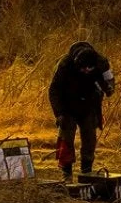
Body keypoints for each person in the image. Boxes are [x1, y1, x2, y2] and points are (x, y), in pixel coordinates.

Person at [48, 41, 115, 182]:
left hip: (90, 105)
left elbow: (109, 80)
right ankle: (66, 174)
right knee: (66, 139)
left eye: (89, 69)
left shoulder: (101, 62)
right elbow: (53, 90)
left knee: (90, 139)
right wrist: (59, 113)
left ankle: (87, 172)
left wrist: (109, 87)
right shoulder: (64, 65)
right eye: (83, 69)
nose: (86, 71)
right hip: (67, 106)